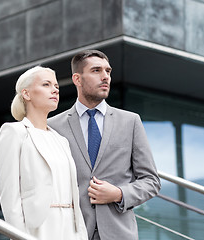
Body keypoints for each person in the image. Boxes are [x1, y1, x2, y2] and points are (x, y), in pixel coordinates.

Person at [48, 50, 161, 240]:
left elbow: (151, 181)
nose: (105, 77)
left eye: (108, 71)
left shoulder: (130, 122)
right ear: (77, 79)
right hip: (71, 233)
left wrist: (118, 193)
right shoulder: (53, 127)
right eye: (96, 70)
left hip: (119, 233)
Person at [0, 66, 88, 240]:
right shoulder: (14, 132)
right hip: (38, 228)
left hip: (70, 228)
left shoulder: (61, 141)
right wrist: (18, 235)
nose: (54, 90)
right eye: (46, 84)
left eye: (56, 87)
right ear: (26, 94)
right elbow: (9, 195)